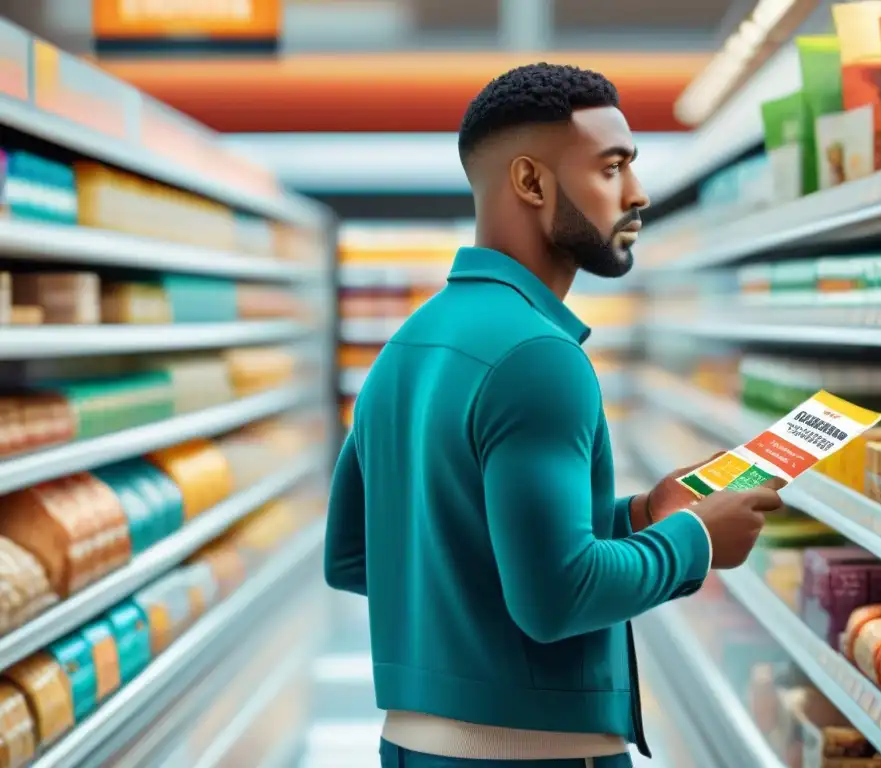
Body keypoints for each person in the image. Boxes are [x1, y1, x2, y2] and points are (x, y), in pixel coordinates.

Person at [325, 62, 782, 767]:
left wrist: (639, 518)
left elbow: (358, 557)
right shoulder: (540, 357)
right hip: (538, 755)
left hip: (411, 748)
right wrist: (694, 539)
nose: (639, 193)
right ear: (533, 183)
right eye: (611, 168)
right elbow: (555, 600)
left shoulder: (404, 348)